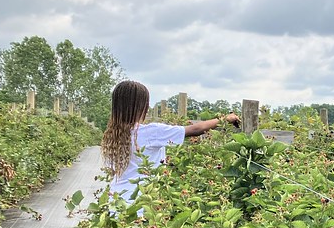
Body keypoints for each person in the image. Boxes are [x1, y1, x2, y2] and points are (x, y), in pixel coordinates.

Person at [101, 80, 239, 203]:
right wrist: (227, 118)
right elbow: (195, 129)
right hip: (140, 202)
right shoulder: (150, 131)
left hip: (116, 200)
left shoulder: (113, 135)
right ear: (141, 107)